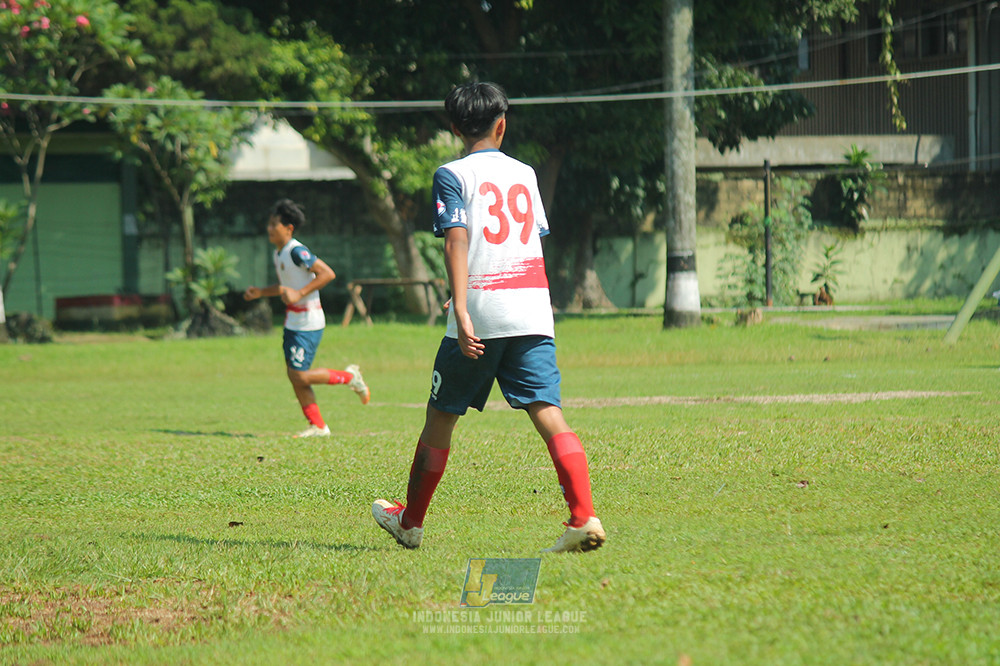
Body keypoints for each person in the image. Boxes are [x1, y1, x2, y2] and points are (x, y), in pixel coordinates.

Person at [372, 82, 605, 553]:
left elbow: (457, 238)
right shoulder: (526, 173)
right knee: (550, 413)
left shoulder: (451, 173)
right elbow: (524, 244)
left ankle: (410, 522)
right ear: (503, 124)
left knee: (440, 417)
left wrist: (462, 304)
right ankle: (584, 516)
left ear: (454, 128)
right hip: (532, 311)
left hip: (478, 315)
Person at [244, 198, 370, 438]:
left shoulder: (296, 251)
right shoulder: (279, 253)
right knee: (295, 375)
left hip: (309, 320)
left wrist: (300, 294)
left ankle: (349, 377)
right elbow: (286, 288)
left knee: (300, 375)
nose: (269, 229)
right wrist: (261, 292)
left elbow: (327, 273)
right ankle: (318, 426)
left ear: (288, 228)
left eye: (274, 224)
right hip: (293, 320)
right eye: (269, 224)